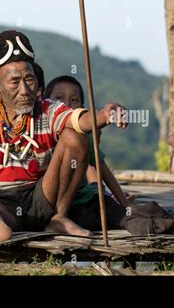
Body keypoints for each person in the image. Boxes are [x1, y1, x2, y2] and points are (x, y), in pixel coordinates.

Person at [0, 30, 128, 240]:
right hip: (1, 197)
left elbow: (79, 121)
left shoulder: (48, 109)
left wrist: (104, 113)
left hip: (44, 196)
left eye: (30, 79)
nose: (25, 90)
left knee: (75, 137)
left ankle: (59, 218)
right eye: (14, 81)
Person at [45, 75, 130, 231]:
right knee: (85, 219)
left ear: (82, 107)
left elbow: (101, 167)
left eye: (74, 100)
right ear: (46, 102)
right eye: (59, 98)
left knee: (124, 218)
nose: (67, 104)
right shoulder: (41, 131)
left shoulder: (84, 135)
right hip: (52, 203)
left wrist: (126, 205)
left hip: (85, 199)